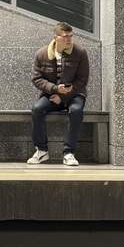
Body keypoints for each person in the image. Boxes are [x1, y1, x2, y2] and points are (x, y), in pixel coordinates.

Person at [27, 22, 89, 166]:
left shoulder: (80, 52)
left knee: (76, 111)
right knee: (37, 109)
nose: (69, 39)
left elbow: (83, 79)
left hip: (74, 94)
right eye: (65, 36)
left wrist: (63, 97)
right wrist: (55, 89)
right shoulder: (42, 54)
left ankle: (69, 153)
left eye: (71, 36)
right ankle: (41, 151)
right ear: (56, 37)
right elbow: (36, 79)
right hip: (52, 94)